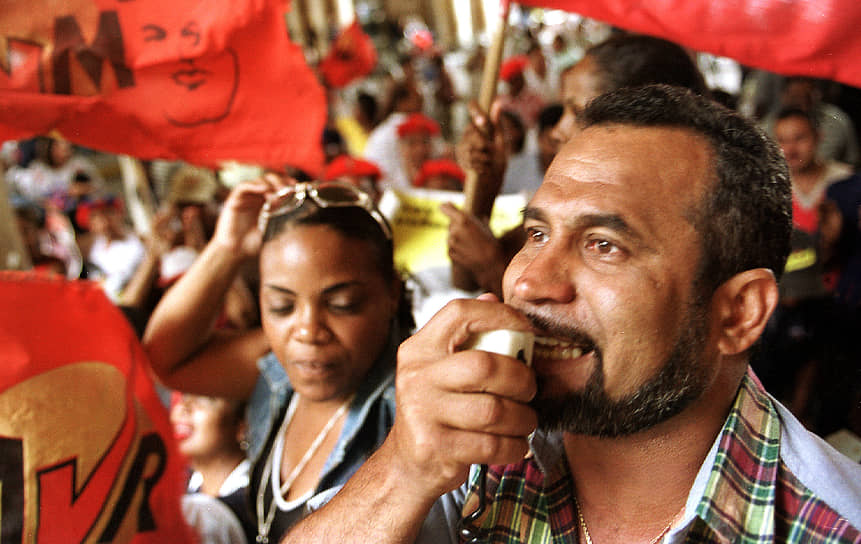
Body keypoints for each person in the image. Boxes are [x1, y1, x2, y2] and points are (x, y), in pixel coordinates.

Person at [283, 85, 861, 543]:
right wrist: (403, 472)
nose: (528, 280)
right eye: (537, 233)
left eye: (604, 244)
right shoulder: (475, 456)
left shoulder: (828, 525)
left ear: (738, 312)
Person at [142, 176, 413, 543]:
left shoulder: (410, 406)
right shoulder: (277, 376)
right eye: (281, 306)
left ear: (392, 293)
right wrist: (227, 248)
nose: (307, 330)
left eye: (341, 304)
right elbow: (165, 356)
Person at [447, 32, 708, 297]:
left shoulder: (659, 224)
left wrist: (492, 267)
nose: (557, 131)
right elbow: (467, 278)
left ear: (639, 122)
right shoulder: (566, 204)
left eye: (577, 112)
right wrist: (483, 187)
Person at [170, 392, 250, 496]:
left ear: (242, 428)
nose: (183, 407)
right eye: (184, 396)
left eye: (205, 399)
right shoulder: (181, 489)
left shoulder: (255, 498)